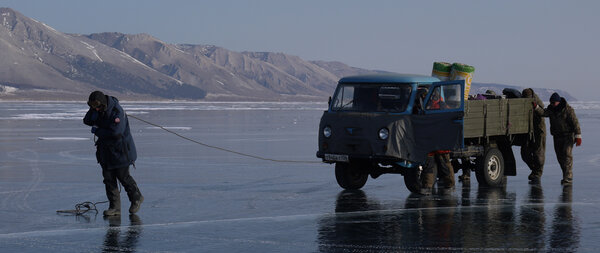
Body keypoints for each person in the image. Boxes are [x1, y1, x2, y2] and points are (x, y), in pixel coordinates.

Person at [83, 91, 143, 216]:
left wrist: (97, 130)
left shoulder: (117, 111)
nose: (97, 109)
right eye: (94, 107)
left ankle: (136, 198)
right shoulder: (96, 110)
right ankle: (114, 207)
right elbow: (87, 121)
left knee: (123, 177)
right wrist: (92, 110)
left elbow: (116, 133)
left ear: (103, 104)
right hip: (105, 151)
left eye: (98, 107)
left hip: (120, 151)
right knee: (108, 179)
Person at [534, 92, 581, 185]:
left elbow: (575, 123)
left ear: (558, 102)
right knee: (560, 157)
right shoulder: (551, 109)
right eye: (551, 103)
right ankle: (565, 175)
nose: (552, 104)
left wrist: (578, 136)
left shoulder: (568, 110)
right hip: (557, 136)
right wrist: (536, 107)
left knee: (567, 156)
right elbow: (544, 113)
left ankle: (568, 177)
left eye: (554, 103)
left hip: (568, 136)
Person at [521, 88, 546, 183]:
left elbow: (543, 112)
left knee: (539, 154)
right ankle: (534, 169)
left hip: (539, 131)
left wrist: (536, 107)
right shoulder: (523, 101)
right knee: (524, 153)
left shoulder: (537, 101)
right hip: (528, 130)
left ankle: (537, 174)